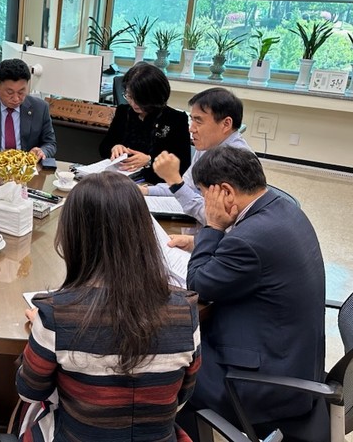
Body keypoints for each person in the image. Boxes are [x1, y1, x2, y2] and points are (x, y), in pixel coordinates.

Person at [16, 171, 201, 441]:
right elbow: (182, 396)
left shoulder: (55, 315)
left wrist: (42, 332)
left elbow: (30, 391)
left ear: (73, 236)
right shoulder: (185, 310)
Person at [175, 145, 327, 442]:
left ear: (226, 193)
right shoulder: (283, 209)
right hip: (292, 360)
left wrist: (212, 227)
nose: (205, 203)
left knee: (174, 362)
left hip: (262, 385)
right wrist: (201, 244)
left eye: (204, 195)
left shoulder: (249, 240)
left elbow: (199, 284)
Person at [142, 87, 251, 224]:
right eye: (192, 120)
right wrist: (145, 190)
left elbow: (216, 219)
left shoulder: (237, 161)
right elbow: (188, 187)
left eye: (198, 121)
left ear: (226, 124)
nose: (191, 129)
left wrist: (174, 181)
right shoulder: (207, 146)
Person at [99, 62, 191, 184]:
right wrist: (114, 148)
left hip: (155, 184)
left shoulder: (176, 119)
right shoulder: (123, 112)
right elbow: (103, 148)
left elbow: (183, 165)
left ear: (156, 96)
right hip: (120, 179)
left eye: (140, 99)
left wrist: (149, 161)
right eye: (129, 96)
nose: (134, 104)